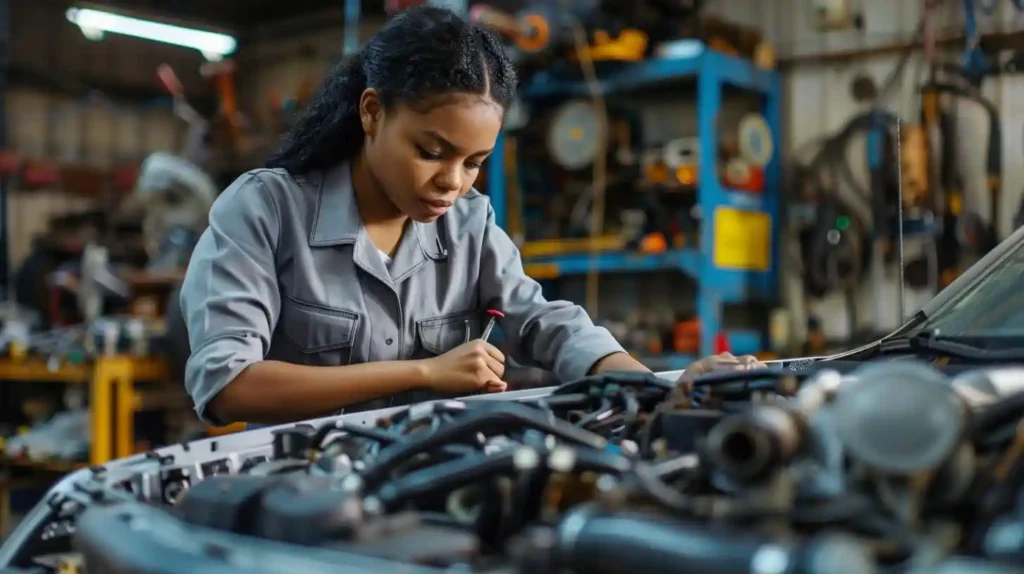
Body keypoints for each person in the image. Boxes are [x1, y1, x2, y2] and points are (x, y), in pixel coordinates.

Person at [179, 6, 764, 426]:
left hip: (428, 486)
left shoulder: (468, 224)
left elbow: (545, 322)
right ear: (373, 112)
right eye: (431, 153)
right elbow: (230, 385)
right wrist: (423, 374)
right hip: (296, 506)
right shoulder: (264, 210)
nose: (452, 182)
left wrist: (658, 390)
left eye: (474, 162)